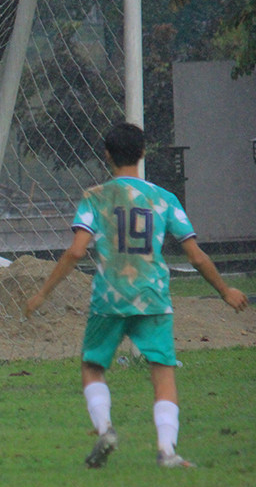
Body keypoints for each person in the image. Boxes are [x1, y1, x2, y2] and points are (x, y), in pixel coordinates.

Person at [23, 122, 248, 468]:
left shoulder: (95, 197)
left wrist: (42, 293)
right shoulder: (164, 198)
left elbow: (76, 251)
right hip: (153, 295)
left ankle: (105, 428)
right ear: (143, 153)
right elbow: (196, 256)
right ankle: (167, 451)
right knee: (162, 370)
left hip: (110, 296)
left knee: (92, 366)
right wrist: (225, 290)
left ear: (107, 155)